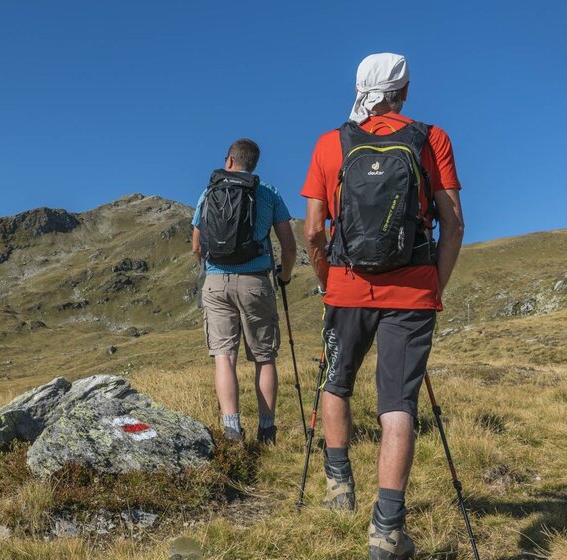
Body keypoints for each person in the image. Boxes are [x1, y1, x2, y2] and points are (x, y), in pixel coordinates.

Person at [301, 53, 465, 560]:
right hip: (412, 291)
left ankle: (338, 486)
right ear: (405, 92)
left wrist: (333, 282)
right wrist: (430, 283)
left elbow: (312, 232)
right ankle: (387, 531)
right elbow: (453, 222)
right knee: (398, 403)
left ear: (360, 89)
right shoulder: (430, 138)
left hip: (346, 288)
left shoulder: (331, 144)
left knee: (336, 380)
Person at [192, 138, 298, 444]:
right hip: (256, 281)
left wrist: (208, 270)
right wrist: (285, 277)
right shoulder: (268, 193)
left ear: (228, 161)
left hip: (216, 281)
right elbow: (289, 247)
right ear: (253, 164)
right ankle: (267, 430)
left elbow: (196, 245)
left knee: (224, 357)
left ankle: (231, 429)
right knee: (264, 358)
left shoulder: (209, 192)